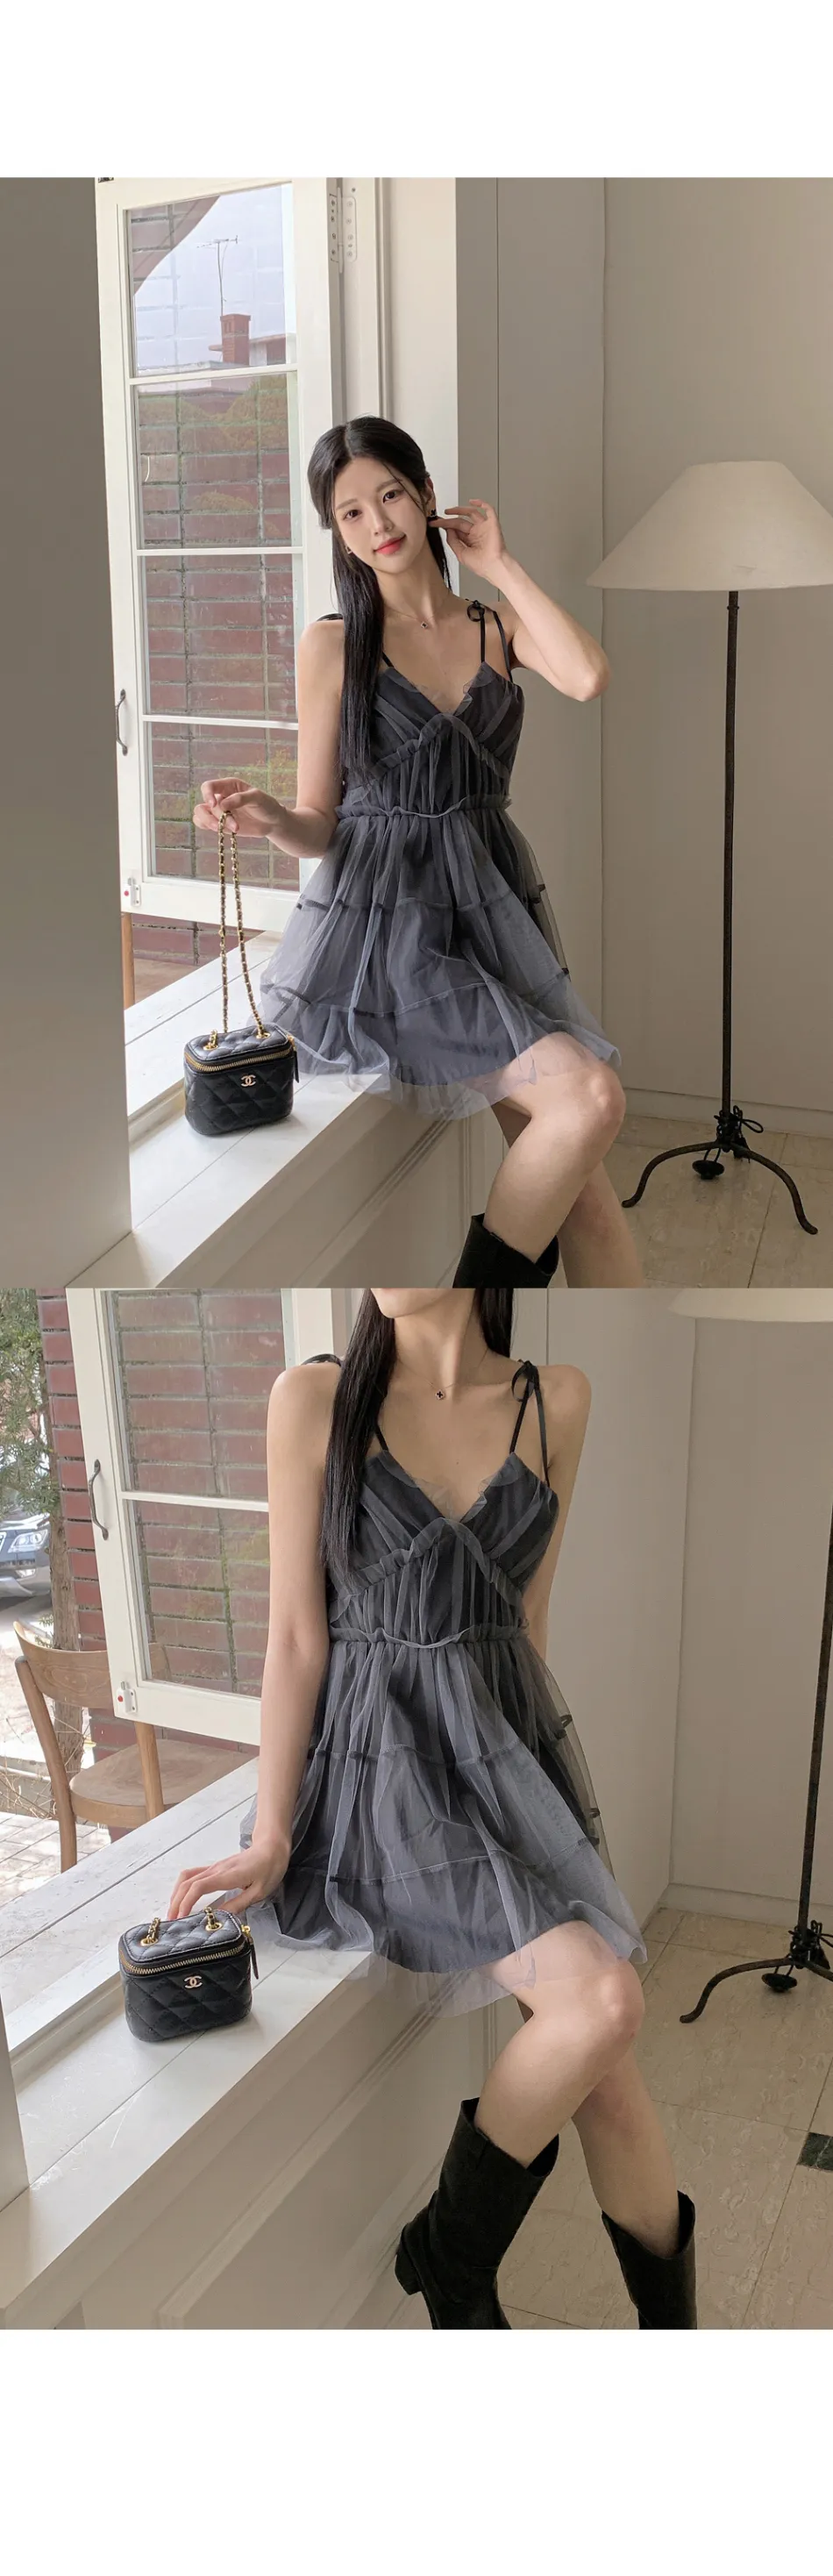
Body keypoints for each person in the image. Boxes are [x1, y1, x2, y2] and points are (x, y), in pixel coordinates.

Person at [167, 1288, 696, 2330]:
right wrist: (272, 1831)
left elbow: (524, 1625)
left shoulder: (557, 1401)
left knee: (607, 2074)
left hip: (503, 1758)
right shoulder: (314, 1398)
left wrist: (535, 1807)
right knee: (603, 2004)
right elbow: (295, 1637)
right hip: (383, 1775)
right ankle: (450, 2257)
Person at [195, 416, 640, 1292]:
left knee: (585, 1197)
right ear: (338, 534)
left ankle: (571, 1348)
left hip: (494, 916)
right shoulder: (334, 645)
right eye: (350, 513)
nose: (378, 525)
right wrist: (270, 817)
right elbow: (320, 822)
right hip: (393, 937)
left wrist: (499, 563)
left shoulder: (494, 627)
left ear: (427, 493)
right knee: (591, 1098)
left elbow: (588, 676)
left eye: (390, 495)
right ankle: (473, 1315)